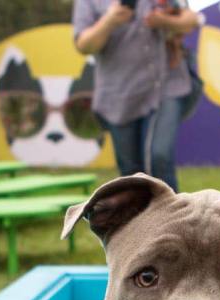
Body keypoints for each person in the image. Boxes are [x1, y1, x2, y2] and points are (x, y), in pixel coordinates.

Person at [73, 0, 200, 192]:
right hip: (119, 93)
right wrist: (109, 21)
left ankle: (174, 219)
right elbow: (84, 46)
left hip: (165, 84)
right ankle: (139, 219)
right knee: (131, 173)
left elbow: (190, 20)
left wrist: (164, 21)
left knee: (158, 156)